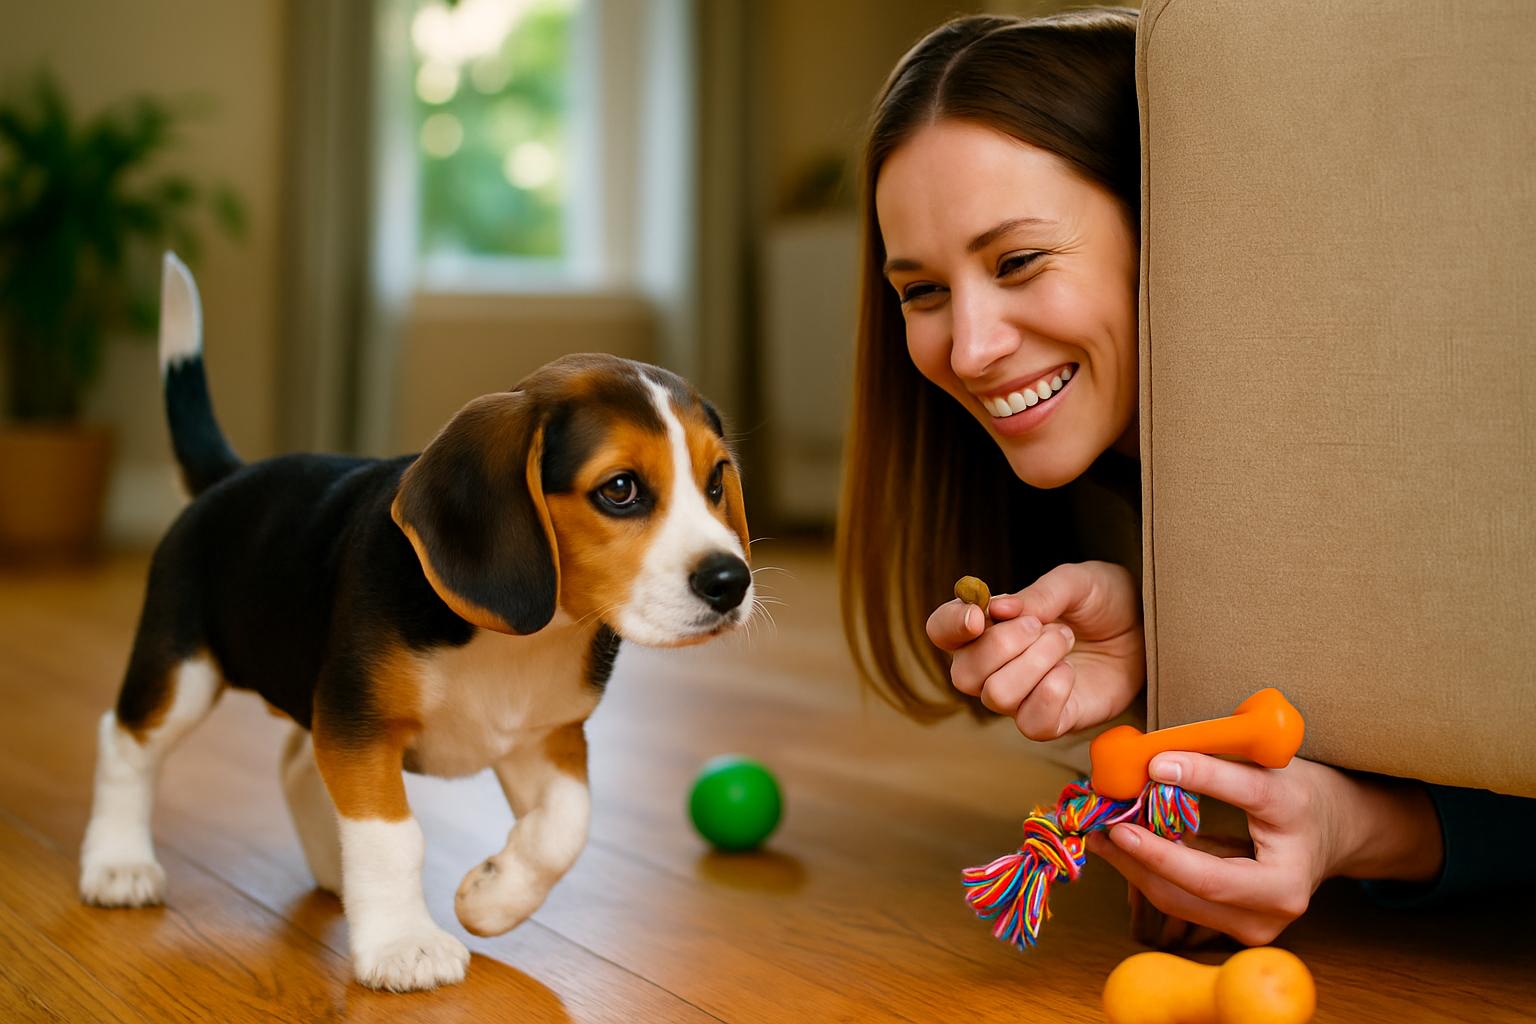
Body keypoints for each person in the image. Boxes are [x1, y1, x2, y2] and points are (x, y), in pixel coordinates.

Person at [835, 7, 1534, 947]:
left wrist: (1364, 830)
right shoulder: (1070, 523)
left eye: (1021, 261)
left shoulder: (1438, 449)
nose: (969, 347)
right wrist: (1160, 669)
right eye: (922, 291)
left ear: (1172, 231)